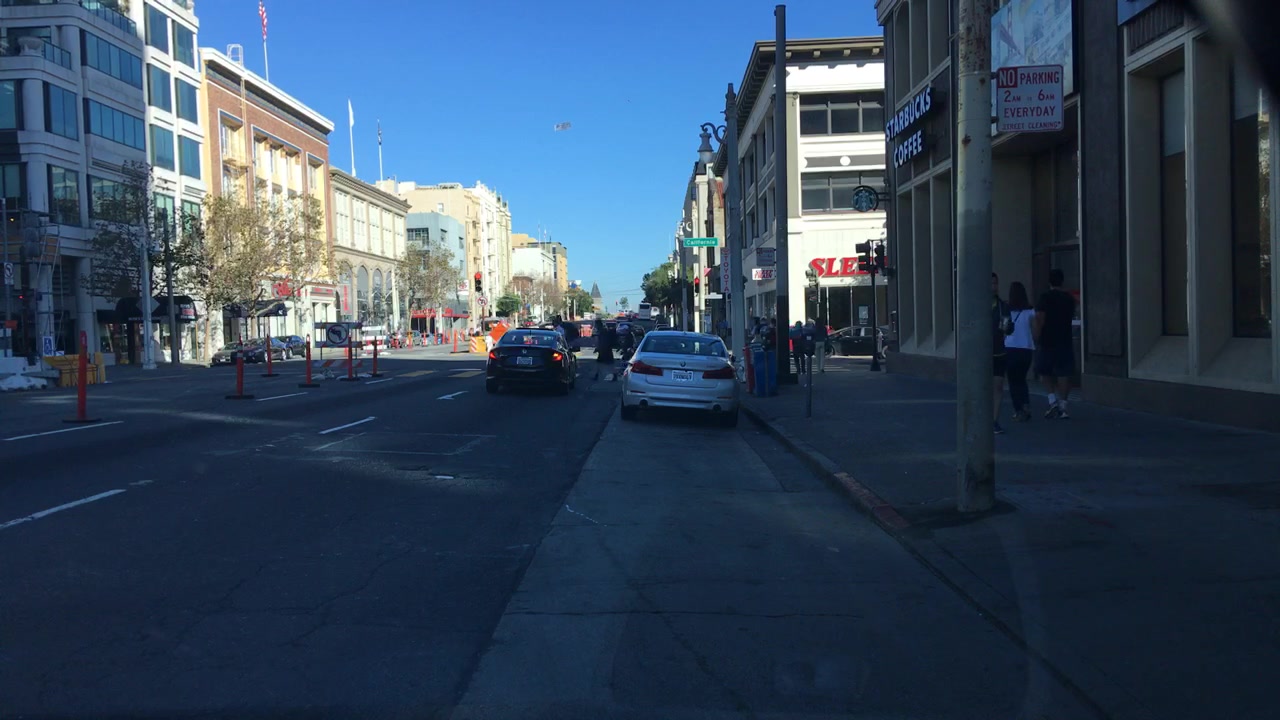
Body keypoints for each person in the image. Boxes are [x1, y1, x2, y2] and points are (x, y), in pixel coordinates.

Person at [1034, 268, 1078, 419]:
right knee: (1064, 372)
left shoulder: (1045, 297)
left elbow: (1040, 317)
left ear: (1049, 282)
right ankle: (1063, 405)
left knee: (1044, 370)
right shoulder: (1069, 299)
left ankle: (1052, 400)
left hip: (1047, 339)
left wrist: (1036, 335)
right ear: (1062, 281)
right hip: (1064, 339)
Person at [1004, 281, 1035, 422]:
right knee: (1022, 379)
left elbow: (1004, 329)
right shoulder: (1030, 311)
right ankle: (1026, 404)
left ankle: (1018, 410)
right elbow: (1034, 329)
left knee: (1013, 381)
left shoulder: (1007, 311)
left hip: (1010, 348)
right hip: (1026, 349)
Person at [992, 272, 1011, 434]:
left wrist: (1008, 327)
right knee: (983, 387)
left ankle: (994, 421)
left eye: (996, 283)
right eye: (991, 283)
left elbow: (1007, 328)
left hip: (998, 351)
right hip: (981, 354)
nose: (994, 287)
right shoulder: (976, 305)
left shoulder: (1002, 306)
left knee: (998, 386)